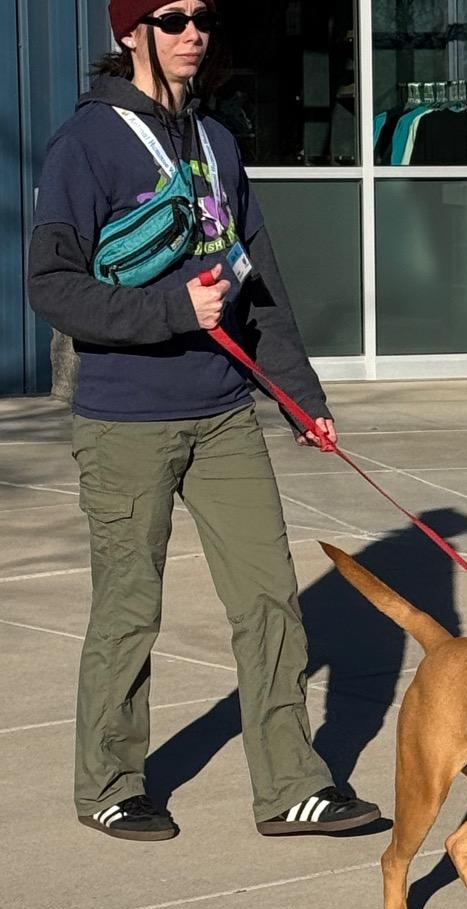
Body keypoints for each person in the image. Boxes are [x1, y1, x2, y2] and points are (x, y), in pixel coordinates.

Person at [27, 0, 379, 841]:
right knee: (130, 608)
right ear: (130, 32)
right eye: (173, 16)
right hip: (125, 422)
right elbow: (52, 284)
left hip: (224, 413)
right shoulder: (88, 143)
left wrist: (300, 397)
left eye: (207, 18)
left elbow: (260, 285)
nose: (195, 33)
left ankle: (291, 783)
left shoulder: (217, 141)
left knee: (269, 601)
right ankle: (111, 782)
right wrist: (171, 310)